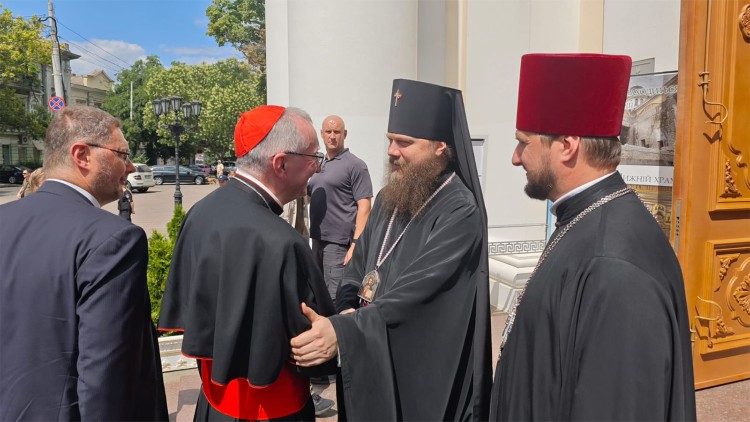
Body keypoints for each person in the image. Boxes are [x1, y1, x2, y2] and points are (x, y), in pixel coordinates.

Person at [489, 53, 696, 420]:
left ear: (567, 146)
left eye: (524, 142)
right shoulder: (585, 218)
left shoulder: (614, 266)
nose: (515, 158)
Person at [291, 79, 492, 421]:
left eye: (404, 143)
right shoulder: (388, 198)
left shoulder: (460, 210)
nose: (391, 152)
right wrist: (346, 309)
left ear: (440, 146)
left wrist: (347, 330)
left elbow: (420, 291)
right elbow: (359, 268)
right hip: (373, 343)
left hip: (419, 362)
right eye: (390, 141)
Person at [158, 105, 337, 421]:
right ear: (280, 163)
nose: (318, 168)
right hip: (274, 411)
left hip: (215, 405)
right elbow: (315, 347)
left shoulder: (200, 213)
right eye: (313, 158)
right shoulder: (283, 242)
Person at [0, 105, 167, 420]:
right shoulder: (114, 239)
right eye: (122, 154)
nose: (130, 166)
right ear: (82, 155)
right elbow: (105, 376)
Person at [308, 115, 373, 302]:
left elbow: (364, 206)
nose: (332, 136)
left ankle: (336, 330)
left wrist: (355, 244)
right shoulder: (319, 164)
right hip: (318, 240)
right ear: (321, 134)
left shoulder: (355, 165)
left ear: (345, 134)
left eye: (337, 132)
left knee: (334, 295)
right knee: (317, 291)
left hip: (338, 244)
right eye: (328, 132)